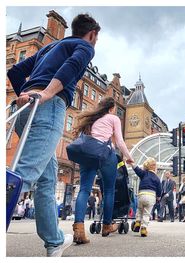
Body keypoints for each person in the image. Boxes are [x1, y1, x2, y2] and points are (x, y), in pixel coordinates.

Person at [7, 13, 100, 257]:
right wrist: (46, 94)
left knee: (46, 182)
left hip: (25, 110)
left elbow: (15, 72)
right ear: (92, 34)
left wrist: (26, 94)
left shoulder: (50, 47)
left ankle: (54, 241)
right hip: (48, 108)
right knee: (22, 177)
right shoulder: (84, 46)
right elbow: (72, 67)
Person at [72, 97, 134, 243]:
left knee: (84, 190)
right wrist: (129, 157)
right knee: (109, 191)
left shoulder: (91, 119)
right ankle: (106, 225)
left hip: (87, 153)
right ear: (112, 108)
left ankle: (79, 231)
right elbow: (119, 141)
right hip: (105, 155)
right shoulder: (113, 118)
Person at [130, 158, 162, 237]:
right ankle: (143, 228)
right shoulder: (157, 178)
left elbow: (137, 170)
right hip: (151, 196)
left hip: (141, 194)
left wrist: (132, 163)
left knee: (139, 209)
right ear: (154, 167)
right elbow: (159, 190)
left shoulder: (144, 173)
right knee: (146, 213)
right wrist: (158, 197)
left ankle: (137, 222)